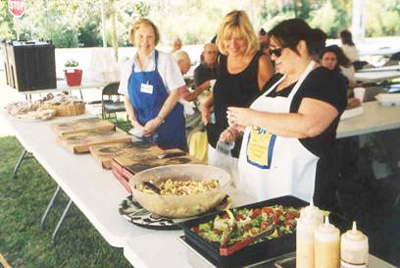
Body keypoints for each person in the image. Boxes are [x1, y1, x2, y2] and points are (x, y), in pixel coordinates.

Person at [224, 18, 347, 202]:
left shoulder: (327, 80)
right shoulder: (275, 81)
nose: (272, 57)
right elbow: (269, 124)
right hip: (257, 189)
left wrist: (252, 117)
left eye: (277, 51)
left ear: (301, 46)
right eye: (270, 51)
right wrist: (240, 129)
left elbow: (308, 125)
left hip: (298, 192)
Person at [201, 10, 274, 163]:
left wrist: (238, 129)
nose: (233, 45)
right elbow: (225, 88)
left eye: (239, 39)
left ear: (248, 37)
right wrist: (207, 103)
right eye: (228, 38)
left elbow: (269, 105)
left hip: (247, 143)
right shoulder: (223, 58)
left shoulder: (261, 61)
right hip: (219, 136)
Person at [119, 19, 187, 151]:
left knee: (173, 166)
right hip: (143, 128)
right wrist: (134, 122)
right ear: (133, 38)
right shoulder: (128, 66)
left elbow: (175, 93)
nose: (145, 41)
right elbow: (126, 97)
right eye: (140, 36)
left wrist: (157, 120)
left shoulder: (166, 60)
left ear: (155, 39)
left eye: (150, 36)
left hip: (169, 126)